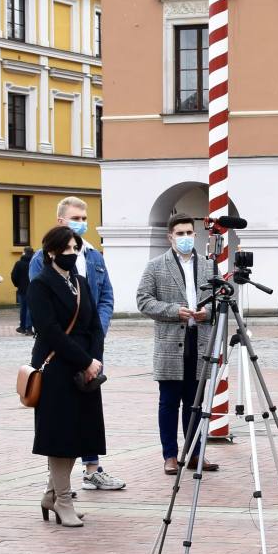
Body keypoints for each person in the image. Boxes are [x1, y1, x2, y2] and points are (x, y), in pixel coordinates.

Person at [28, 227, 105, 528]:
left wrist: (94, 360)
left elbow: (95, 324)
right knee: (60, 437)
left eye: (76, 249)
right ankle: (63, 500)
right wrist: (85, 360)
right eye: (67, 249)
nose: (72, 254)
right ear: (51, 252)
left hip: (84, 369)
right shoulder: (40, 285)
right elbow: (50, 331)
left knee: (79, 435)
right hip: (57, 367)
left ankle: (50, 494)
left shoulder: (81, 282)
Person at [136, 215, 221, 475]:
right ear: (170, 237)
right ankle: (170, 455)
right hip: (171, 341)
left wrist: (210, 312)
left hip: (200, 340)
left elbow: (222, 299)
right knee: (169, 401)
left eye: (189, 233)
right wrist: (174, 310)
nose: (185, 237)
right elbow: (143, 300)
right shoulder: (156, 266)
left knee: (195, 401)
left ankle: (195, 452)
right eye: (180, 233)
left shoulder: (209, 266)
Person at [58, 198, 124, 493]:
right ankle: (57, 481)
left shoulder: (93, 256)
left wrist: (98, 330)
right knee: (61, 409)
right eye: (75, 217)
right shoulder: (44, 259)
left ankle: (92, 468)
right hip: (63, 345)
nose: (81, 222)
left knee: (89, 404)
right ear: (61, 221)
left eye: (84, 217)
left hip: (92, 341)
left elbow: (107, 295)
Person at [11, 246, 36, 335]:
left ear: (24, 252)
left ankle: (22, 327)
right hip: (33, 288)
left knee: (23, 308)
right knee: (30, 308)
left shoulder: (19, 263)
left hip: (21, 289)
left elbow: (13, 276)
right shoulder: (33, 263)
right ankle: (29, 328)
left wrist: (17, 284)